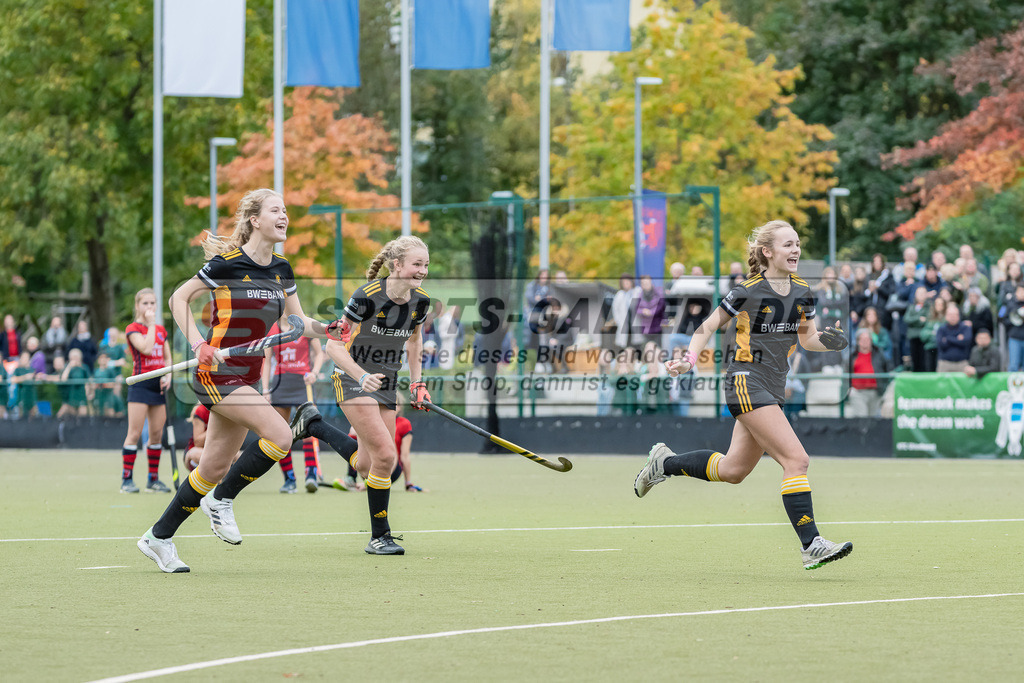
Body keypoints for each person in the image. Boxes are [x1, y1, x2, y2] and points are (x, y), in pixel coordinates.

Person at [137, 188, 359, 573]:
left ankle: (158, 537)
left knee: (211, 470)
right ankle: (221, 501)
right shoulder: (226, 265)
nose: (284, 215)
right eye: (276, 210)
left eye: (286, 210)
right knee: (281, 435)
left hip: (248, 377)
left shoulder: (281, 270)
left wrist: (327, 329)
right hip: (216, 373)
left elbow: (295, 322)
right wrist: (197, 344)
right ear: (255, 219)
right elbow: (178, 299)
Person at [633, 220, 853, 570]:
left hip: (774, 384)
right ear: (767, 252)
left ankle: (664, 463)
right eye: (787, 245)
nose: (795, 250)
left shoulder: (803, 291)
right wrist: (689, 361)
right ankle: (811, 544)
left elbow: (807, 337)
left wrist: (830, 341)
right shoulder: (747, 290)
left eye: (797, 244)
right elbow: (706, 327)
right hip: (746, 381)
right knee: (796, 460)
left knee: (734, 470)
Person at [313, 235, 432, 557]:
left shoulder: (420, 301)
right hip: (353, 377)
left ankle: (314, 425)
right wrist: (361, 376)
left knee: (368, 466)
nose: (422, 271)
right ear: (396, 265)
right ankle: (380, 536)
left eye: (425, 265)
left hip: (388, 381)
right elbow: (333, 346)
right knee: (386, 458)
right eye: (416, 264)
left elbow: (414, 343)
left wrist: (418, 382)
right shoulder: (366, 297)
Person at [261, 317, 325, 493]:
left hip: (303, 383)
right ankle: (289, 479)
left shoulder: (304, 323)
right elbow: (265, 361)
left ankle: (311, 473)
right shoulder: (271, 328)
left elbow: (320, 353)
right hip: (281, 383)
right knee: (282, 433)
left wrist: (315, 372)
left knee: (309, 429)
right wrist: (266, 389)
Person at [120, 289, 172, 494]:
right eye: (145, 304)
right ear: (137, 306)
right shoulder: (133, 328)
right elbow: (147, 349)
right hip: (140, 383)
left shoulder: (161, 330)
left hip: (157, 386)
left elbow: (166, 357)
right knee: (134, 433)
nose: (149, 307)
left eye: (152, 303)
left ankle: (153, 480)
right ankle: (127, 480)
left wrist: (168, 375)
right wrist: (150, 325)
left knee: (157, 434)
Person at [335, 402, 425, 492]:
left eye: (396, 404)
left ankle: (371, 480)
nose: (392, 407)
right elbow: (353, 432)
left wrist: (408, 483)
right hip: (371, 464)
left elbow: (405, 456)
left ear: (400, 408)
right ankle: (352, 479)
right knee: (355, 435)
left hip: (393, 468)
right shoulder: (375, 421)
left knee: (389, 443)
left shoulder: (404, 423)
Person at [847, 329, 890, 418]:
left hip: (875, 392)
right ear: (858, 341)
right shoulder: (852, 355)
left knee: (873, 421)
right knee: (862, 418)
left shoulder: (879, 354)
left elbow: (887, 369)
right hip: (858, 392)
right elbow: (845, 371)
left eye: (867, 339)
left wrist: (884, 387)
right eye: (862, 339)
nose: (865, 342)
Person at [935, 305, 972, 373]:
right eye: (950, 315)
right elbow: (941, 344)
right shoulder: (941, 329)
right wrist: (957, 339)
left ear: (959, 316)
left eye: (955, 315)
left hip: (962, 364)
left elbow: (965, 342)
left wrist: (948, 338)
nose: (953, 317)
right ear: (946, 316)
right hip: (945, 364)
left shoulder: (965, 328)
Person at [57, 347, 91, 417]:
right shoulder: (67, 367)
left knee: (82, 415)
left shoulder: (84, 367)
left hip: (81, 395)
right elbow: (63, 379)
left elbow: (88, 382)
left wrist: (88, 393)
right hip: (70, 395)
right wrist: (69, 366)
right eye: (73, 357)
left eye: (76, 357)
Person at [91, 351, 124, 417]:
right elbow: (93, 383)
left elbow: (114, 384)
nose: (103, 359)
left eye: (104, 358)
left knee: (110, 412)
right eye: (101, 358)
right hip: (98, 396)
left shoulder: (110, 370)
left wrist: (103, 385)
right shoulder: (96, 371)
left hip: (109, 395)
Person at [1000, 285, 1024, 372]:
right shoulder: (1010, 304)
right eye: (1020, 291)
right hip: (1014, 338)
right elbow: (1003, 320)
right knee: (1013, 365)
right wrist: (1016, 318)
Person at [10, 351, 39, 418]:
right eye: (23, 357)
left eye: (26, 358)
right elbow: (13, 380)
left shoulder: (32, 370)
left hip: (32, 397)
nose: (24, 359)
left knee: (33, 417)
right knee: (21, 416)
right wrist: (25, 377)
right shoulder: (17, 370)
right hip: (21, 397)